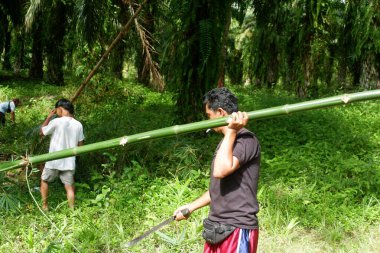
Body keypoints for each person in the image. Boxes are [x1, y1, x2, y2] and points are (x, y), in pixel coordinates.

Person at [174, 87, 261, 253]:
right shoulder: (227, 142)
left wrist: (231, 132)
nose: (208, 120)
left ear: (220, 112)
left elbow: (220, 171)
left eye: (209, 115)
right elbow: (218, 187)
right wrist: (190, 207)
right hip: (217, 227)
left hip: (237, 228)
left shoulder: (246, 139)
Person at [40, 98, 84, 210]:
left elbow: (41, 132)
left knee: (44, 180)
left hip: (53, 160)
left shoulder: (56, 121)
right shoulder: (78, 124)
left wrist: (49, 117)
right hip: (69, 161)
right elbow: (81, 146)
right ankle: (72, 210)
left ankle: (45, 207)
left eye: (56, 111)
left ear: (60, 109)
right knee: (69, 187)